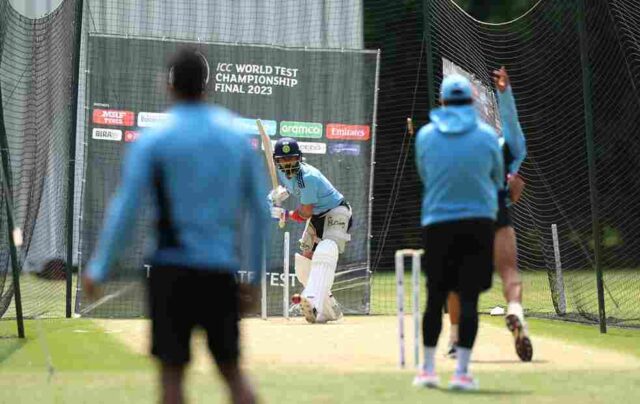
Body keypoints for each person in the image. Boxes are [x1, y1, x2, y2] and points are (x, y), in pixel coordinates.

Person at [82, 48, 270, 404]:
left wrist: (99, 267)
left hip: (171, 270)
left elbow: (126, 207)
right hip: (219, 271)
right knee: (232, 373)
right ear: (208, 84)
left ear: (167, 85)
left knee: (171, 377)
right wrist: (255, 279)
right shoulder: (235, 138)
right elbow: (260, 214)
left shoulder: (154, 139)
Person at [413, 74, 503, 390]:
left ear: (442, 103)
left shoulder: (425, 135)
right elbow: (496, 178)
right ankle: (462, 372)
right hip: (478, 223)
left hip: (438, 222)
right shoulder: (487, 136)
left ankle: (426, 369)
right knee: (468, 299)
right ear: (472, 103)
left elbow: (425, 173)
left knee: (435, 296)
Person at [446, 67, 532, 363]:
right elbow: (512, 126)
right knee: (509, 270)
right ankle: (515, 311)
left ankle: (456, 340)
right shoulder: (505, 148)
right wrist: (504, 93)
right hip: (495, 210)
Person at [268, 137, 352, 324]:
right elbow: (292, 188)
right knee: (304, 265)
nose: (288, 163)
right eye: (283, 160)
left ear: (299, 158)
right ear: (277, 161)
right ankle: (330, 309)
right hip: (318, 216)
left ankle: (313, 301)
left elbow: (305, 213)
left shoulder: (308, 177)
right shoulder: (284, 174)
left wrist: (285, 214)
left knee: (325, 249)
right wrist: (276, 196)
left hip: (336, 210)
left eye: (292, 159)